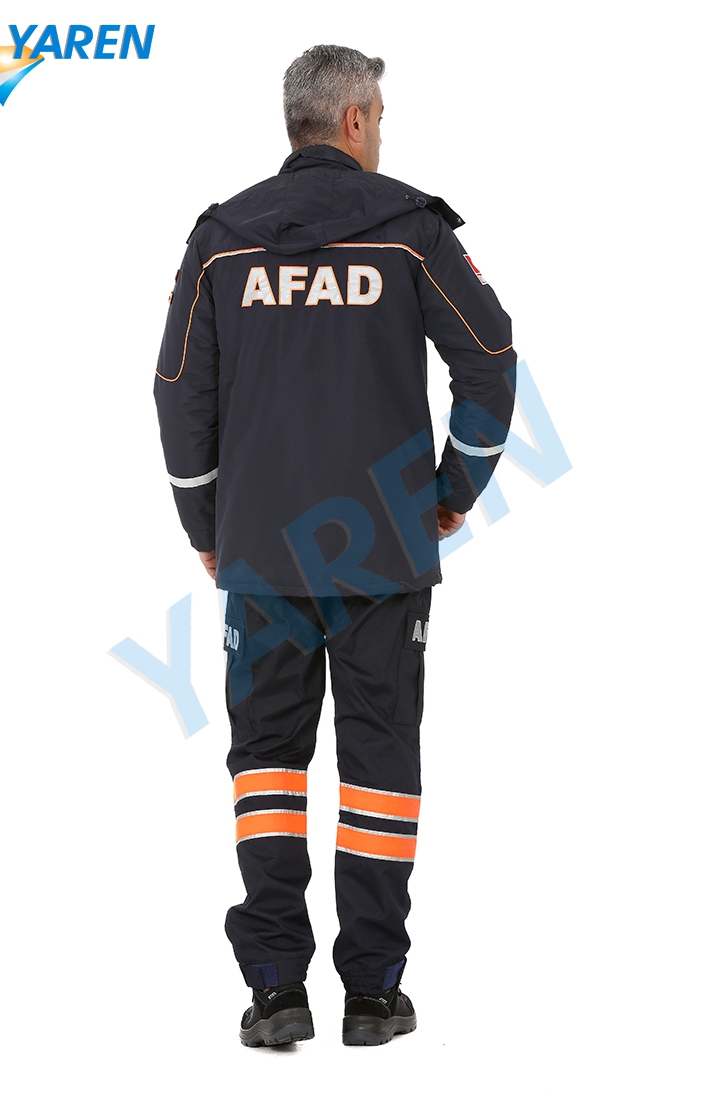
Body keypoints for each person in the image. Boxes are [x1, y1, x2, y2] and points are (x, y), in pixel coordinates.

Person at [154, 44, 517, 1047]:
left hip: (261, 551)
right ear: (354, 119)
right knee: (379, 764)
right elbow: (491, 360)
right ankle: (373, 993)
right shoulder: (410, 230)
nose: (382, 130)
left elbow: (178, 391)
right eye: (381, 114)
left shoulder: (223, 239)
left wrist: (206, 526)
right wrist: (451, 492)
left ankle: (276, 988)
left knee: (267, 765)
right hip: (382, 548)